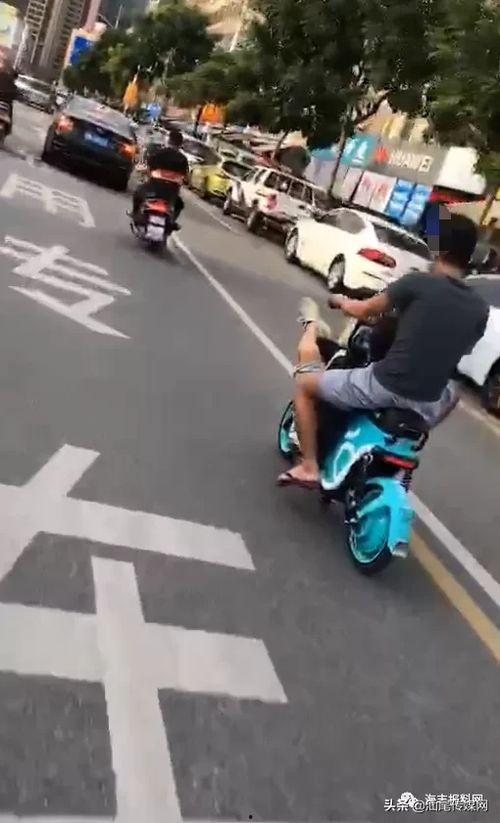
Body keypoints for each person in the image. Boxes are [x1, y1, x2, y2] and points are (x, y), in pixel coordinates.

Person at [278, 211, 489, 489]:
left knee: (306, 386)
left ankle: (308, 466)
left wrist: (340, 301)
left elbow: (364, 309)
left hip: (386, 385)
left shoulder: (418, 283)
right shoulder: (480, 309)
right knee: (454, 391)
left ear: (440, 248)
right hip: (428, 403)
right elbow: (461, 351)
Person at [132, 128, 188, 227]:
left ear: (169, 140)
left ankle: (135, 214)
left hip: (154, 188)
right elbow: (185, 177)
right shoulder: (183, 159)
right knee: (179, 205)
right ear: (180, 144)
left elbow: (148, 167)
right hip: (171, 193)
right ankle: (171, 222)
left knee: (137, 193)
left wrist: (145, 173)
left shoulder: (159, 153)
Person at [0, 58, 17, 136]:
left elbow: (16, 93)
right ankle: (8, 129)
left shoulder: (9, 80)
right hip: (6, 102)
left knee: (9, 108)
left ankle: (8, 129)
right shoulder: (10, 80)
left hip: (6, 103)